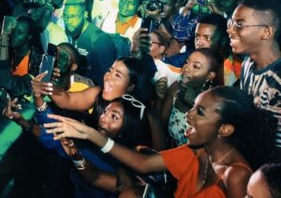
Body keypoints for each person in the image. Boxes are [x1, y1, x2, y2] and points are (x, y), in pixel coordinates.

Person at [45, 86, 278, 198]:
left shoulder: (237, 176)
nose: (188, 115)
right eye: (193, 107)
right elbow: (142, 163)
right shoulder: (197, 151)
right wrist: (91, 135)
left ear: (225, 129)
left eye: (200, 112)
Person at [228, 0, 281, 153]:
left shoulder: (277, 82)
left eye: (239, 24)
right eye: (231, 23)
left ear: (266, 32)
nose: (230, 30)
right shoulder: (248, 64)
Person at [161, 49, 222, 146]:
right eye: (187, 62)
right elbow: (161, 127)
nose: (186, 68)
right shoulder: (175, 89)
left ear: (209, 76)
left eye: (196, 66)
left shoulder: (213, 104)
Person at [61, 0, 116, 85]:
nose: (69, 21)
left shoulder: (99, 39)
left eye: (73, 16)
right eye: (65, 16)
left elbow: (108, 77)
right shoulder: (72, 32)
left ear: (85, 14)